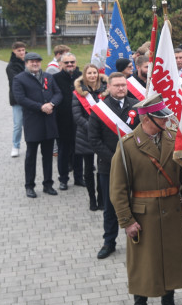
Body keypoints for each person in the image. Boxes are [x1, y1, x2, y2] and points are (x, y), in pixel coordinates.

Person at [109, 92, 182, 305]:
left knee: (171, 260)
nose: (167, 120)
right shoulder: (128, 145)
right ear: (147, 119)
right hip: (143, 215)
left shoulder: (173, 138)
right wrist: (127, 221)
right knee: (143, 264)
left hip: (172, 210)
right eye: (162, 117)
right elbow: (118, 189)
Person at [89, 72, 139, 259]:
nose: (121, 88)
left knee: (136, 203)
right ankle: (109, 241)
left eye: (123, 85)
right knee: (110, 207)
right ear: (108, 87)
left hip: (135, 166)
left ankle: (137, 237)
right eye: (117, 85)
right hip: (108, 167)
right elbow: (94, 140)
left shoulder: (136, 105)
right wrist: (116, 161)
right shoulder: (99, 110)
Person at [11, 52, 62, 198]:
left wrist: (51, 104)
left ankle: (48, 184)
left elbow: (58, 93)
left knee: (48, 156)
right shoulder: (19, 79)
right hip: (33, 122)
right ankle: (29, 186)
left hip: (49, 122)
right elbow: (20, 99)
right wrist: (40, 107)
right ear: (26, 63)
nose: (35, 64)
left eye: (37, 61)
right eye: (32, 61)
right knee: (31, 156)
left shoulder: (48, 77)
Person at [72, 64, 107, 211]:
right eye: (89, 73)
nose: (92, 75)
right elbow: (77, 116)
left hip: (103, 135)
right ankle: (92, 198)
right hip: (85, 135)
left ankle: (101, 198)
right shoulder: (78, 93)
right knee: (88, 170)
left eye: (94, 73)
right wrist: (92, 128)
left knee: (101, 169)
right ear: (85, 76)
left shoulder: (105, 90)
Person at [52, 52, 83, 191]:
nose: (70, 64)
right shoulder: (55, 78)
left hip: (79, 120)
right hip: (62, 121)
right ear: (61, 64)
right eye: (66, 62)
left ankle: (79, 177)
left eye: (72, 62)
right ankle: (63, 179)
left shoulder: (81, 77)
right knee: (63, 152)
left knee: (78, 151)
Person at [5, 42, 27, 158]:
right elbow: (16, 81)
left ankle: (32, 144)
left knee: (32, 124)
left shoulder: (30, 61)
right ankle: (16, 146)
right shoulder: (11, 66)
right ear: (14, 51)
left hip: (31, 97)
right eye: (19, 50)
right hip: (18, 98)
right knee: (18, 124)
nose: (22, 52)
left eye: (23, 50)